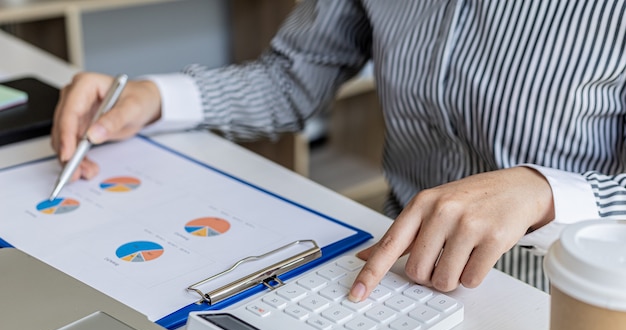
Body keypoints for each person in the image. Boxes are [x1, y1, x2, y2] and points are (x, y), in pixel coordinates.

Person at [52, 1, 626, 303]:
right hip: (390, 263)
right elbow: (294, 78)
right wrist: (159, 97)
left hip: (567, 293)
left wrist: (546, 194)